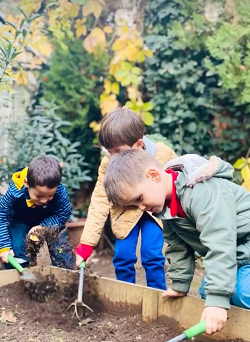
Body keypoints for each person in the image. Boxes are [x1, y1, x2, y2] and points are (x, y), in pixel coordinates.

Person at [103, 149, 250, 335]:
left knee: (235, 293)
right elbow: (178, 246)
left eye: (139, 199)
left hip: (240, 248)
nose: (141, 208)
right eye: (134, 205)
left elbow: (220, 243)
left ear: (154, 176)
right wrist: (180, 284)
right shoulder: (167, 208)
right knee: (207, 292)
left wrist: (219, 300)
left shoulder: (202, 192)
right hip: (239, 255)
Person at [75, 107, 177, 290]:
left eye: (117, 151)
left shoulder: (162, 153)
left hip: (155, 213)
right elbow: (100, 199)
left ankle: (157, 297)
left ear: (138, 144)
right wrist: (87, 243)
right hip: (125, 213)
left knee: (152, 255)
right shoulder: (108, 163)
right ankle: (126, 296)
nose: (112, 157)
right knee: (123, 257)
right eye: (109, 151)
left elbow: (177, 182)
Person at [0, 155, 73, 269]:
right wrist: (4, 247)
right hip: (21, 220)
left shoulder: (59, 191)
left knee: (61, 250)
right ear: (26, 183)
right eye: (39, 195)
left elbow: (63, 214)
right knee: (16, 247)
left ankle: (67, 276)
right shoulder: (14, 191)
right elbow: (1, 216)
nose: (44, 201)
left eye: (50, 196)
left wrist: (43, 226)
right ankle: (20, 276)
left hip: (51, 222)